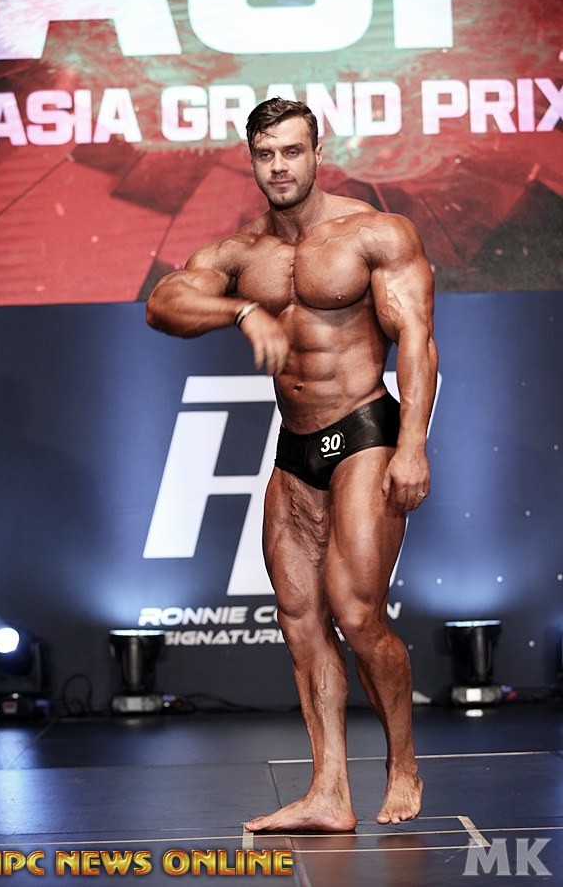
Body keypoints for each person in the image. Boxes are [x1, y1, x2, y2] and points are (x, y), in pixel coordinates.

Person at [146, 98, 438, 832]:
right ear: (252, 160)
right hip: (295, 446)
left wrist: (412, 444)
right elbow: (164, 303)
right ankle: (329, 792)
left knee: (357, 613)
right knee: (300, 619)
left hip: (366, 431)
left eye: (291, 151)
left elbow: (417, 339)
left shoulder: (374, 232)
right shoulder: (241, 256)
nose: (279, 166)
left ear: (317, 153)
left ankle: (402, 764)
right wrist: (242, 311)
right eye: (265, 153)